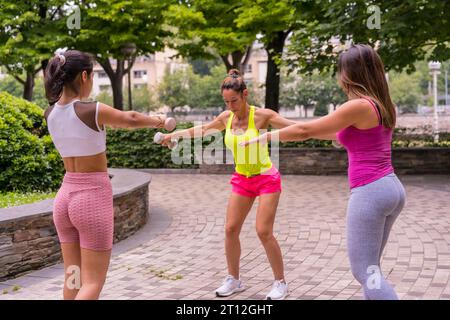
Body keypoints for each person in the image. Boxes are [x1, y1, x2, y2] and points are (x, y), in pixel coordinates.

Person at [243, 44, 406, 300]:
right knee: (372, 269)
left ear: (350, 73)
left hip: (370, 191)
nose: (339, 78)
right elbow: (324, 131)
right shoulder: (381, 105)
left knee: (364, 271)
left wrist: (264, 137)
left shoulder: (357, 106)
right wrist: (281, 123)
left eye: (341, 71)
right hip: (390, 187)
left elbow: (305, 131)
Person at [43, 50, 175, 300]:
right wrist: (160, 121)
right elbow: (131, 119)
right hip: (91, 199)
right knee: (92, 282)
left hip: (64, 200)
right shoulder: (90, 110)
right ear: (84, 76)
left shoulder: (50, 114)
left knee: (74, 277)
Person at [160, 69, 295, 300]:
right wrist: (177, 134)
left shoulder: (261, 116)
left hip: (266, 178)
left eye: (234, 100)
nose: (230, 105)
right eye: (226, 101)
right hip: (242, 179)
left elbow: (296, 128)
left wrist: (333, 131)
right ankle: (234, 279)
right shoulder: (226, 118)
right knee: (230, 229)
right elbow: (202, 130)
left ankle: (280, 283)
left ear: (245, 94)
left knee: (263, 231)